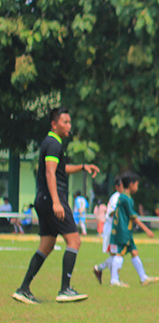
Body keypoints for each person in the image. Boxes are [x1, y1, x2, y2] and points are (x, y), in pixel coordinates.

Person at [11, 107, 100, 305]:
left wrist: (83, 167)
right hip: (52, 199)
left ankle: (23, 289)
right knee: (74, 241)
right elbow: (51, 174)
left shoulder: (52, 143)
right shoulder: (53, 143)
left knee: (47, 245)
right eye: (65, 122)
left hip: (43, 199)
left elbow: (60, 169)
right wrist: (57, 202)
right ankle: (65, 289)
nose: (69, 125)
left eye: (70, 122)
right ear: (54, 124)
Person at [106, 171, 159, 288]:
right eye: (137, 184)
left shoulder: (124, 197)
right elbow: (133, 217)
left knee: (134, 252)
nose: (137, 187)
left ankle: (143, 278)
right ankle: (114, 280)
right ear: (131, 184)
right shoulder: (126, 199)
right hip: (123, 231)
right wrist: (147, 230)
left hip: (126, 231)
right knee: (119, 253)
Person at [93, 176, 123, 283]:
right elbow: (111, 213)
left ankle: (100, 269)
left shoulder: (121, 196)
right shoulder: (116, 197)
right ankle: (114, 280)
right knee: (117, 253)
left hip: (115, 229)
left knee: (115, 254)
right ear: (117, 186)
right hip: (111, 229)